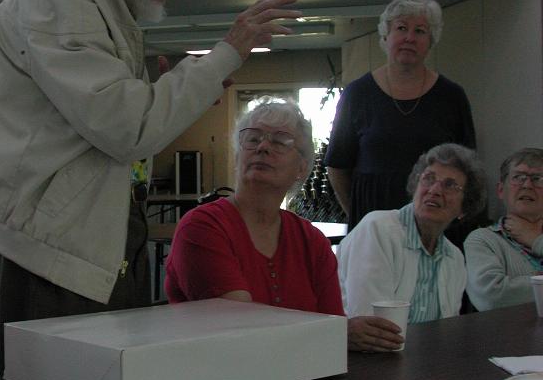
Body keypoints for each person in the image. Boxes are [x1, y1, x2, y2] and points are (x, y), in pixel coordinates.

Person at [0, 0, 297, 372]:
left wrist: (174, 92)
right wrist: (227, 52)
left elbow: (110, 124)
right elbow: (128, 129)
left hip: (77, 243)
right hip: (54, 254)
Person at [164, 98, 400, 351]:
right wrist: (335, 333)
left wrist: (338, 333)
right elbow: (238, 329)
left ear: (301, 168)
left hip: (303, 379)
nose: (263, 146)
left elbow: (331, 325)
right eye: (252, 139)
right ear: (236, 156)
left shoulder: (312, 241)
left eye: (279, 141)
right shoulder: (202, 227)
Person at [325, 0, 476, 230]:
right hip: (373, 222)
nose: (409, 38)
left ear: (431, 40)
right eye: (401, 28)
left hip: (436, 225)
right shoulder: (357, 93)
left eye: (420, 31)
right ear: (386, 35)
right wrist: (360, 218)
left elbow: (467, 169)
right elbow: (337, 165)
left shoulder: (452, 96)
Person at [338, 143, 487, 349]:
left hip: (426, 365)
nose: (435, 190)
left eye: (450, 185)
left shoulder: (454, 258)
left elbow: (447, 331)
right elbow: (373, 329)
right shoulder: (378, 230)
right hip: (368, 362)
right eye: (428, 178)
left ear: (465, 207)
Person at [464, 148, 543, 311]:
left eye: (538, 179)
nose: (527, 185)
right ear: (501, 190)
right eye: (518, 178)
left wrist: (537, 241)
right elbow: (491, 297)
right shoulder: (482, 239)